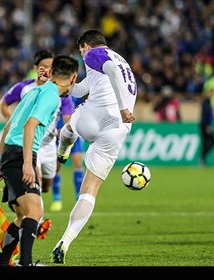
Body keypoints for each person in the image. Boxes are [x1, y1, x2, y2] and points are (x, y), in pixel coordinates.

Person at [50, 29, 137, 264]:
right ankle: (65, 240)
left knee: (67, 129)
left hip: (100, 115)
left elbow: (110, 72)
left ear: (85, 46)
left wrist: (121, 107)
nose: (81, 55)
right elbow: (79, 89)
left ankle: (62, 151)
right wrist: (57, 81)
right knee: (89, 192)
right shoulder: (123, 61)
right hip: (118, 130)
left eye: (80, 50)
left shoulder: (93, 54)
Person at [0, 55, 79, 266]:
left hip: (10, 154)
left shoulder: (34, 92)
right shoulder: (51, 97)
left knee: (23, 216)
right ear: (73, 78)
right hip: (21, 154)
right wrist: (27, 163)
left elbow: (7, 127)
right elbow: (29, 126)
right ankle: (26, 262)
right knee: (35, 212)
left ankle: (3, 263)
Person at [50, 96, 85, 212]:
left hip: (73, 135)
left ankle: (78, 199)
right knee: (57, 167)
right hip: (56, 135)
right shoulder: (54, 95)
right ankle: (56, 199)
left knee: (78, 164)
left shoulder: (75, 95)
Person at [199, 89, 214, 166]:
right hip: (205, 125)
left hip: (205, 124)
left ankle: (202, 159)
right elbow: (205, 115)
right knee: (212, 141)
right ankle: (202, 158)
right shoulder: (206, 102)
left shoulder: (208, 102)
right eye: (210, 93)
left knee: (207, 142)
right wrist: (207, 125)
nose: (211, 95)